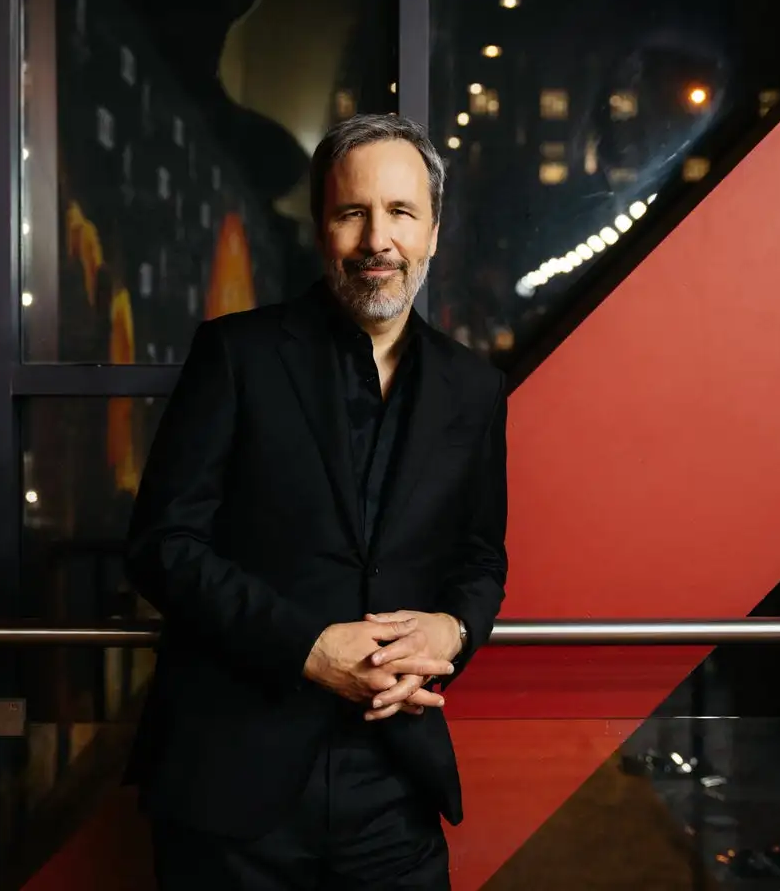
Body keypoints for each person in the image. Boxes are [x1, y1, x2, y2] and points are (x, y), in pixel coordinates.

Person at [123, 112, 508, 890]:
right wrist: (306, 648)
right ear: (320, 227)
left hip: (394, 783)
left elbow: (479, 555)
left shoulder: (474, 387)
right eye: (352, 213)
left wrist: (455, 628)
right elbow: (163, 546)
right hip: (234, 782)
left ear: (434, 232)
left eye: (401, 213)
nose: (378, 240)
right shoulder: (236, 354)